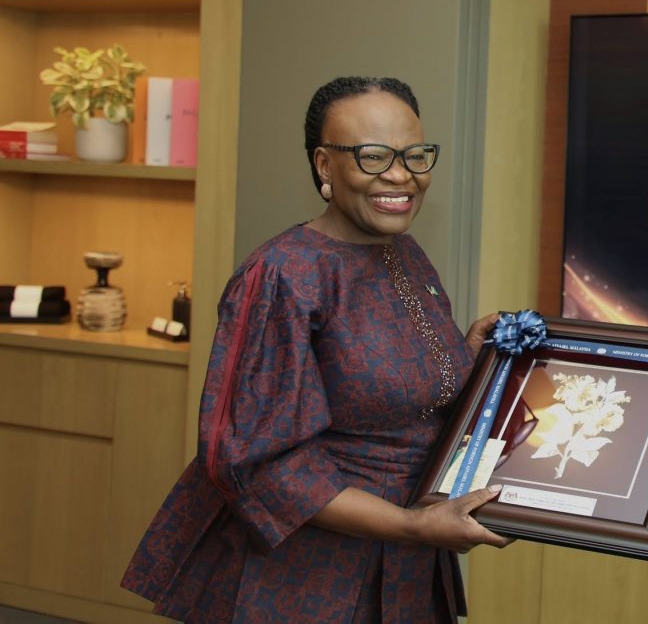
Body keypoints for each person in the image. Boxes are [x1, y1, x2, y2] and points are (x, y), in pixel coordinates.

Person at [122, 76, 510, 622]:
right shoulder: (284, 274)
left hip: (404, 560)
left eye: (415, 155)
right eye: (373, 156)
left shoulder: (404, 253)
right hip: (304, 574)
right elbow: (256, 461)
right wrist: (411, 525)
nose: (401, 175)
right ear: (325, 166)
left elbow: (394, 397)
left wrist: (468, 354)